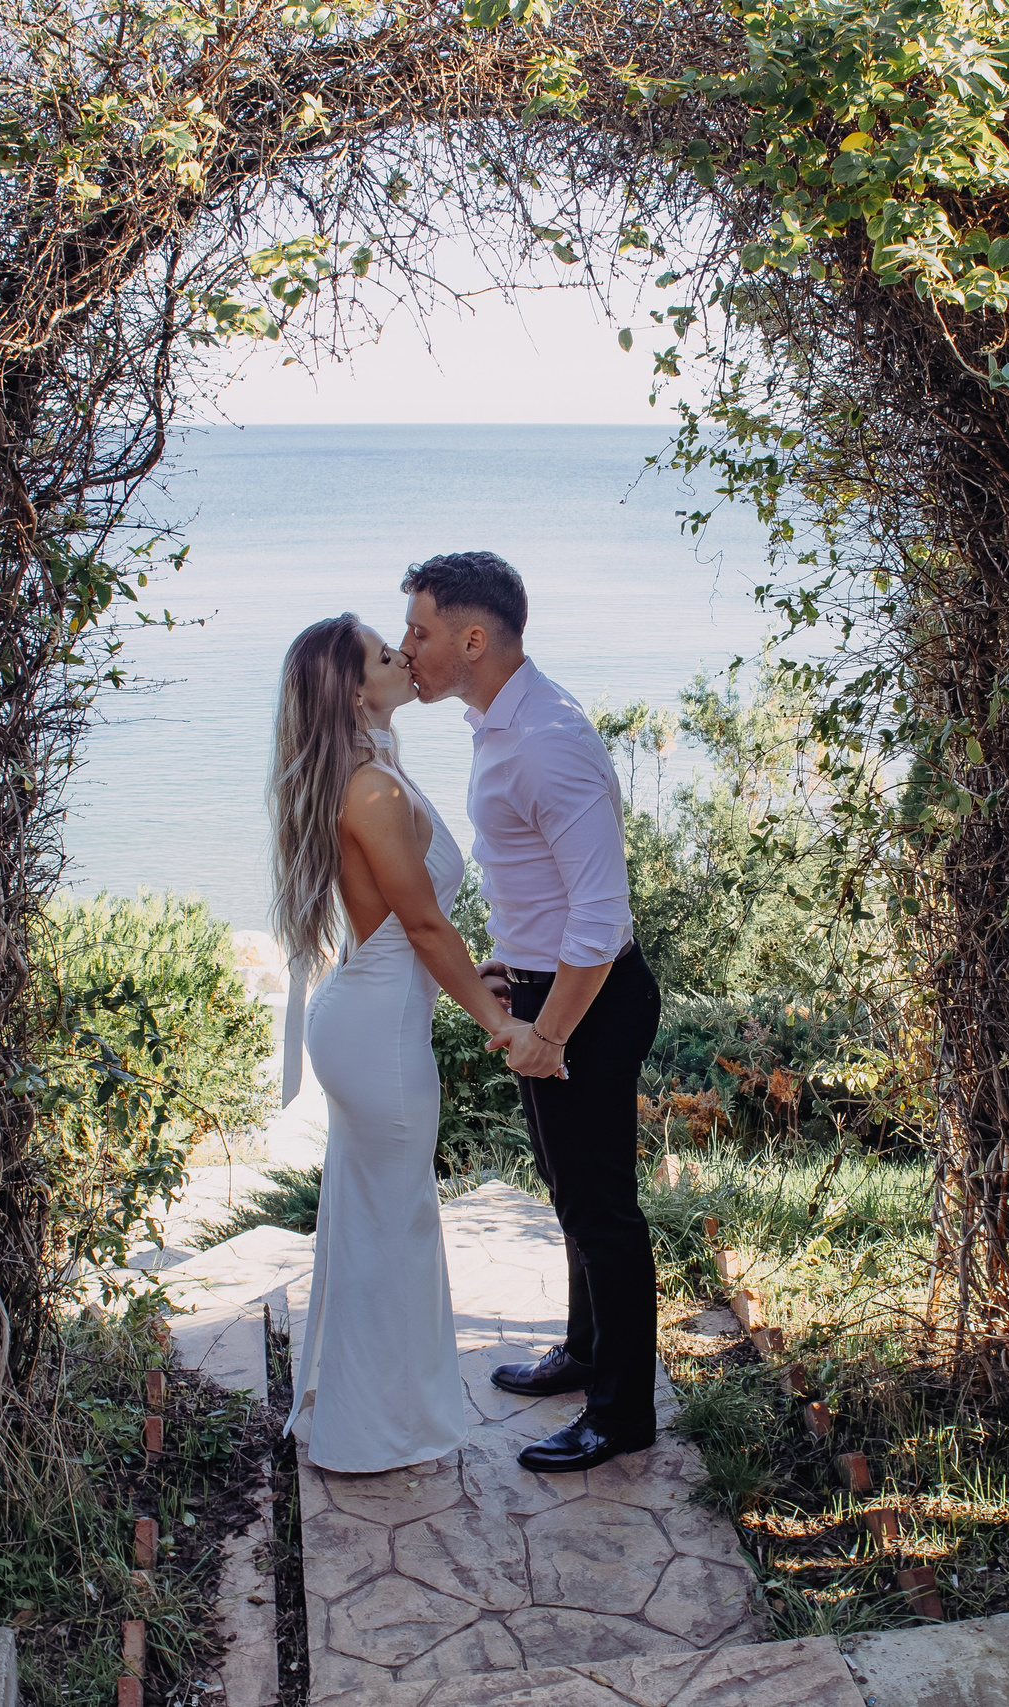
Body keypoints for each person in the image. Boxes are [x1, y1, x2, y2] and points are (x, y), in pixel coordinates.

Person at [398, 551, 664, 1474]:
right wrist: (508, 964)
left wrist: (551, 1033)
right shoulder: (499, 723)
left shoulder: (547, 739)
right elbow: (537, 884)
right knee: (569, 1192)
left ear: (473, 638)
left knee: (604, 1212)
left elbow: (599, 918)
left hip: (589, 1001)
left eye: (421, 630)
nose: (406, 648)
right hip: (547, 987)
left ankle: (621, 1414)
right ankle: (587, 1353)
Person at [269, 614, 532, 1473]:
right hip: (377, 1037)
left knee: (375, 1224)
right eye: (385, 654)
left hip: (372, 1016)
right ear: (355, 691)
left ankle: (369, 1415)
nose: (404, 657)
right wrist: (497, 1021)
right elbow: (420, 924)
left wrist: (465, 976)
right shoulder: (371, 789)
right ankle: (374, 1432)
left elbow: (400, 928)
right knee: (395, 1229)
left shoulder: (373, 773)